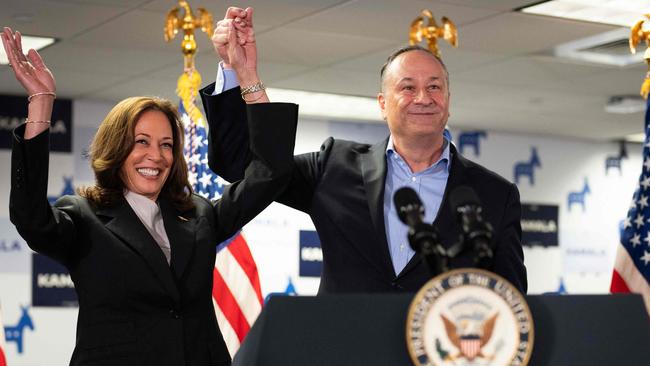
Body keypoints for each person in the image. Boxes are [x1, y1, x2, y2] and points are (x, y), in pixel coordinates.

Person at [3, 26, 296, 366]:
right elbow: (31, 219)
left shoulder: (199, 215)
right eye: (141, 141)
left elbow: (271, 173)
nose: (155, 156)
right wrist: (40, 105)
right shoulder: (85, 217)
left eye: (166, 145)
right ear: (117, 147)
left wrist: (246, 75)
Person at [202, 8, 526, 294]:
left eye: (434, 87)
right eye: (408, 87)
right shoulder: (334, 167)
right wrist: (242, 74)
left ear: (448, 101)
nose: (423, 98)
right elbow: (244, 165)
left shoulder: (495, 195)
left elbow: (511, 300)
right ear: (383, 104)